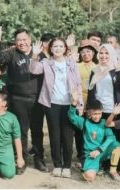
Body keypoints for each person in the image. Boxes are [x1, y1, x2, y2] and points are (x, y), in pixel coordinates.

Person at [0, 25, 46, 172]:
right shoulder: (12, 53)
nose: (22, 42)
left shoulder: (39, 53)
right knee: (21, 132)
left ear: (30, 39)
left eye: (24, 39)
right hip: (18, 99)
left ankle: (39, 159)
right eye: (19, 40)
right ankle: (22, 160)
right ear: (15, 41)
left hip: (37, 99)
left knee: (37, 131)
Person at [30, 37, 83, 178]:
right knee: (54, 135)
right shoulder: (46, 62)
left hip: (69, 104)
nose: (58, 49)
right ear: (50, 49)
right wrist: (34, 55)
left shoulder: (71, 62)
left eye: (61, 46)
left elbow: (78, 84)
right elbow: (34, 70)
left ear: (65, 48)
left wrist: (80, 104)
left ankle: (67, 166)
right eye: (55, 46)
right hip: (51, 104)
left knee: (67, 136)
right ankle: (57, 165)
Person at [68, 92, 120, 182]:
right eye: (94, 114)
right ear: (89, 112)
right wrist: (73, 104)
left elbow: (111, 137)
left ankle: (113, 171)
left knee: (116, 144)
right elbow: (72, 116)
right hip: (91, 154)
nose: (97, 116)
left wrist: (99, 150)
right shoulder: (84, 122)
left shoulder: (104, 123)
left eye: (99, 113)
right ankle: (92, 165)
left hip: (101, 152)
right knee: (89, 177)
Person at [28, 33, 54, 173]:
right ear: (44, 43)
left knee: (40, 130)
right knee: (30, 129)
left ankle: (39, 157)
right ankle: (26, 158)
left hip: (46, 98)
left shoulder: (52, 58)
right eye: (51, 43)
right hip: (31, 97)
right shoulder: (35, 55)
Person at [87, 44, 120, 119]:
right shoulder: (95, 70)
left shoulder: (117, 68)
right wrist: (89, 107)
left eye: (107, 53)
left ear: (112, 54)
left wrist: (118, 70)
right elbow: (90, 91)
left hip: (114, 109)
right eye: (101, 53)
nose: (103, 56)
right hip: (98, 110)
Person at [75, 39, 98, 167]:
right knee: (79, 131)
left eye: (89, 51)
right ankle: (81, 156)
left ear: (94, 53)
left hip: (94, 104)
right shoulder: (76, 66)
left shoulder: (98, 67)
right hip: (79, 103)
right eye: (83, 52)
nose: (86, 54)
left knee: (92, 131)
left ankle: (93, 156)